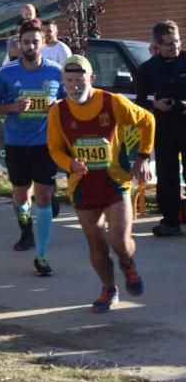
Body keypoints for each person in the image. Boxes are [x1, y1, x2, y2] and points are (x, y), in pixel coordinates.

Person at [48, 55, 154, 312]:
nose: (75, 86)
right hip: (82, 186)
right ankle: (109, 289)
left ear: (92, 79)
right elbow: (54, 148)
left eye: (80, 79)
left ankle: (128, 264)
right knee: (96, 242)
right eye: (70, 80)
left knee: (118, 239)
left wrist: (142, 157)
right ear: (63, 81)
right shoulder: (58, 111)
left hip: (115, 181)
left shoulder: (112, 102)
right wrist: (70, 164)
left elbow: (148, 120)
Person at [0, 21, 64, 276]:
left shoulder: (55, 72)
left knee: (43, 196)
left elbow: (68, 103)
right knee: (21, 194)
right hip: (17, 143)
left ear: (43, 43)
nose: (30, 46)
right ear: (20, 43)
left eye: (35, 41)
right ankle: (26, 230)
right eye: (26, 42)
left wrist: (57, 107)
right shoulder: (8, 73)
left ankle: (42, 254)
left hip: (45, 143)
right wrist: (7, 116)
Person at [135, 20, 186, 237]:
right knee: (167, 175)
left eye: (176, 42)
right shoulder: (148, 68)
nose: (174, 47)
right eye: (168, 44)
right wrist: (156, 104)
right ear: (157, 45)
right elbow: (139, 101)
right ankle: (170, 221)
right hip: (164, 127)